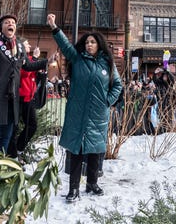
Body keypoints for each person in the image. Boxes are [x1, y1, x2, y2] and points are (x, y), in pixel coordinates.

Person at [46, 13, 123, 203]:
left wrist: (107, 101)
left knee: (95, 150)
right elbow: (65, 45)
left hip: (98, 114)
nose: (89, 45)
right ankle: (73, 189)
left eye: (92, 42)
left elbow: (118, 86)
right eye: (87, 42)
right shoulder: (77, 59)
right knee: (77, 150)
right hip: (77, 113)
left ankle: (92, 184)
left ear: (99, 45)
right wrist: (54, 27)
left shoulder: (108, 64)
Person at [0, 14, 51, 161]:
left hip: (11, 98)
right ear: (1, 27)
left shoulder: (19, 45)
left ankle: (0, 168)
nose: (11, 24)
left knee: (6, 136)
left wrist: (46, 61)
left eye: (13, 22)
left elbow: (28, 65)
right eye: (7, 22)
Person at [7, 39, 45, 163]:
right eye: (27, 43)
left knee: (32, 125)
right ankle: (12, 154)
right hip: (20, 97)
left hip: (29, 97)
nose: (29, 45)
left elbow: (33, 77)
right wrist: (34, 59)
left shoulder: (29, 58)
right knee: (15, 127)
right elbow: (23, 72)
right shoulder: (20, 58)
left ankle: (18, 148)